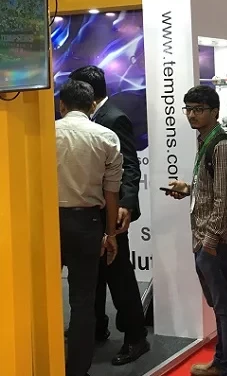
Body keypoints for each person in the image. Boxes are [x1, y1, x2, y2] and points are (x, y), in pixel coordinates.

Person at [69, 66, 150, 365]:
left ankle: (136, 337)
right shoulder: (89, 118)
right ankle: (96, 327)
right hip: (90, 209)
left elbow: (130, 164)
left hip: (111, 211)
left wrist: (125, 203)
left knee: (119, 276)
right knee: (93, 274)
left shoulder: (114, 118)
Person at [166, 86, 227, 376]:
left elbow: (224, 199)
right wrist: (189, 189)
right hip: (204, 238)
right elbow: (212, 190)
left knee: (225, 306)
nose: (192, 115)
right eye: (188, 109)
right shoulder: (206, 142)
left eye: (199, 109)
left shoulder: (223, 146)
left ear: (215, 111)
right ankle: (222, 361)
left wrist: (209, 241)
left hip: (215, 240)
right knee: (220, 305)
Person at [56, 80, 121, 376]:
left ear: (62, 105)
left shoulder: (45, 134)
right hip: (87, 223)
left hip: (47, 223)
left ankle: (42, 362)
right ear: (92, 105)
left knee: (43, 295)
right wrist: (111, 234)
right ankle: (78, 370)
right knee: (83, 301)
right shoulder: (106, 137)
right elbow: (111, 191)